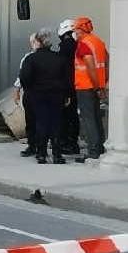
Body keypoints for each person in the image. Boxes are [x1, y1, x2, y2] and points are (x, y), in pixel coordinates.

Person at [19, 28, 70, 164]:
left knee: (41, 123)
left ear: (39, 42)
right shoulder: (59, 59)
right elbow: (67, 79)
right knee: (56, 124)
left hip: (37, 95)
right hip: (56, 95)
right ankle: (57, 154)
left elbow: (24, 77)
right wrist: (66, 94)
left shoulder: (31, 59)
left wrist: (29, 89)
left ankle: (41, 154)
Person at [72, 16, 108, 161]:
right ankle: (100, 147)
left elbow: (90, 66)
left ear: (81, 29)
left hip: (86, 86)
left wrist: (97, 86)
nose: (75, 32)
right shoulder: (98, 42)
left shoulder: (83, 45)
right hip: (96, 85)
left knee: (89, 119)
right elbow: (107, 60)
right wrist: (104, 82)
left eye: (76, 29)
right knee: (96, 117)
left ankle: (93, 151)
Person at [57, 19, 80, 155]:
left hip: (68, 87)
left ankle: (67, 143)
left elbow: (65, 71)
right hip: (76, 85)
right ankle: (71, 142)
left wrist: (66, 93)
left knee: (67, 117)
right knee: (72, 117)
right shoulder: (77, 46)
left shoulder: (66, 48)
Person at [14, 43, 36, 157]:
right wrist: (17, 90)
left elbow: (22, 75)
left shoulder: (28, 58)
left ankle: (35, 146)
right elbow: (21, 75)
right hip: (35, 93)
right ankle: (35, 145)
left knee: (33, 121)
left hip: (33, 93)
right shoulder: (27, 58)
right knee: (32, 121)